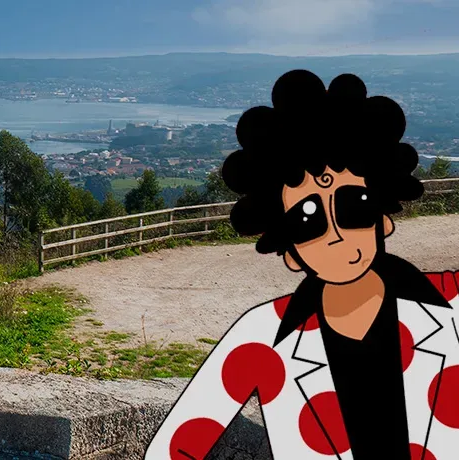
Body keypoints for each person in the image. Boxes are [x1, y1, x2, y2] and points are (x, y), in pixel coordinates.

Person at [144, 69, 459, 459]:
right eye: (307, 222)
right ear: (290, 253)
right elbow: (175, 446)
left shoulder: (453, 303)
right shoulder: (260, 339)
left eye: (354, 207)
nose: (337, 233)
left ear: (384, 218)